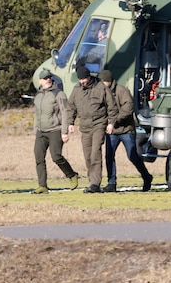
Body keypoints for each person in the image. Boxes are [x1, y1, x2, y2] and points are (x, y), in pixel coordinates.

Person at [100, 69, 153, 192]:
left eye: (103, 82)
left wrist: (113, 121)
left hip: (125, 129)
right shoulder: (102, 93)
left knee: (132, 156)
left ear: (108, 81)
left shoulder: (122, 91)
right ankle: (111, 183)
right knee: (109, 156)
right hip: (112, 131)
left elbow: (128, 108)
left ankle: (146, 177)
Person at [67, 64, 118, 193]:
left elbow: (112, 107)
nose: (82, 82)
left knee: (96, 152)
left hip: (99, 124)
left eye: (84, 79)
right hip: (84, 127)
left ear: (89, 77)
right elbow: (71, 107)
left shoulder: (100, 87)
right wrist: (70, 123)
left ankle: (95, 183)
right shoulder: (77, 89)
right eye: (80, 80)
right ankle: (92, 181)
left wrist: (111, 123)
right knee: (88, 155)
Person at [30, 68, 80, 194]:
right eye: (44, 78)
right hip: (41, 131)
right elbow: (37, 113)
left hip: (55, 130)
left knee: (56, 156)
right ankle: (42, 185)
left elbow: (65, 112)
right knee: (39, 157)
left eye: (47, 78)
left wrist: (64, 131)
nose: (46, 80)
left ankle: (72, 175)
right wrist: (36, 129)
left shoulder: (59, 93)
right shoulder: (39, 94)